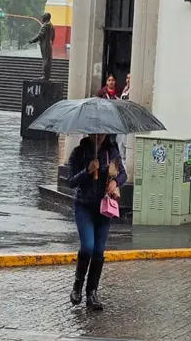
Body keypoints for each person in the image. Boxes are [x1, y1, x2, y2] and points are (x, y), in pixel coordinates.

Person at [67, 133, 127, 311]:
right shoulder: (79, 152)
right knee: (87, 246)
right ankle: (77, 286)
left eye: (103, 133)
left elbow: (123, 174)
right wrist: (87, 171)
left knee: (99, 251)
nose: (100, 136)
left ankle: (92, 293)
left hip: (103, 208)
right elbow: (70, 181)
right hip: (84, 206)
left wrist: (116, 182)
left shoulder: (111, 151)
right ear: (90, 133)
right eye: (96, 133)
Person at [28, 12, 56, 80]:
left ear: (45, 18)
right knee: (48, 60)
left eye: (43, 17)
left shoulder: (45, 25)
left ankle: (44, 76)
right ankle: (47, 76)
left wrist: (32, 41)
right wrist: (51, 42)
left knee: (45, 60)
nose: (42, 19)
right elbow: (53, 36)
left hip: (45, 45)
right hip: (49, 44)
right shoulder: (52, 25)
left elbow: (40, 35)